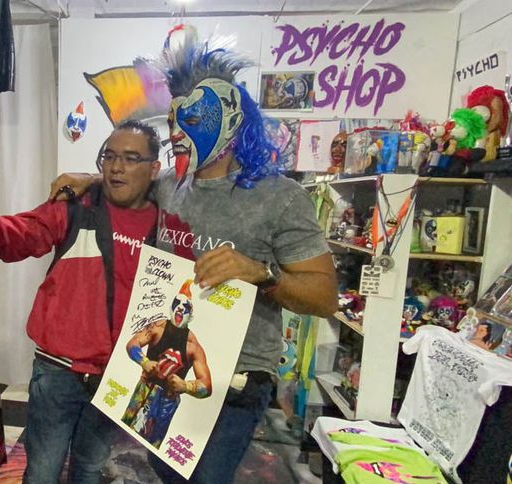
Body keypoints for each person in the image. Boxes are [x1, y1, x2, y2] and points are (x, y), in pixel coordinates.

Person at [50, 26, 337, 483]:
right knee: (163, 462)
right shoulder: (169, 187)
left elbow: (324, 298)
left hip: (238, 375)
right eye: (172, 120)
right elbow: (127, 178)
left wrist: (260, 273)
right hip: (168, 356)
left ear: (231, 119)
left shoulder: (281, 197)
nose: (177, 132)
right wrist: (90, 178)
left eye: (193, 118)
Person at [0, 120, 162, 483]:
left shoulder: (166, 223)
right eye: (109, 156)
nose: (116, 167)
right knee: (43, 471)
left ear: (154, 168)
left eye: (130, 158)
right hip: (58, 371)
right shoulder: (77, 207)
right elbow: (23, 232)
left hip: (117, 374)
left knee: (90, 466)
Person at [122, 279, 212, 448]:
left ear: (191, 313)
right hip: (144, 391)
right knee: (122, 434)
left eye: (185, 307)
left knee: (150, 447)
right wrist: (144, 361)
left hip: (167, 402)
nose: (180, 309)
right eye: (177, 304)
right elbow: (133, 343)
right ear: (171, 306)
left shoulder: (193, 346)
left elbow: (207, 386)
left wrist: (186, 386)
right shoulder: (157, 327)